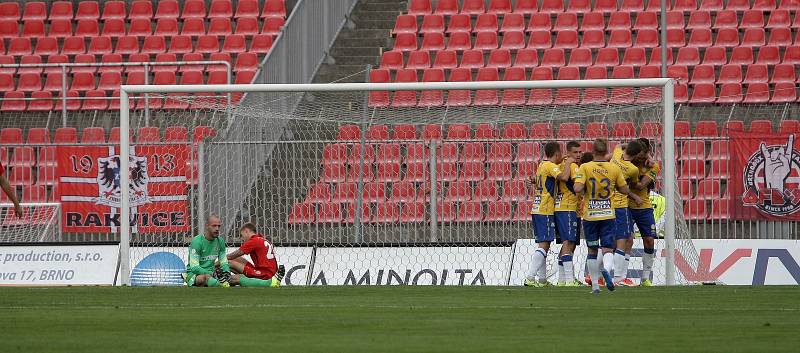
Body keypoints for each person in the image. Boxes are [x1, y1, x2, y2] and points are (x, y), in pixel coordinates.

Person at [574, 139, 640, 294]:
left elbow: (577, 188)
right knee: (608, 248)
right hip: (608, 214)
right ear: (606, 152)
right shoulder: (614, 168)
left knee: (592, 250)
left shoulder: (585, 167)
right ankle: (607, 269)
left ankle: (596, 286)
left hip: (590, 215)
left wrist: (584, 186)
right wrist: (624, 190)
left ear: (592, 151)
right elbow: (624, 189)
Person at [524, 142, 573, 287]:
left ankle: (542, 280)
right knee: (544, 245)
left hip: (538, 208)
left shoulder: (542, 165)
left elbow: (541, 179)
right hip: (545, 210)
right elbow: (564, 177)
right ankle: (530, 277)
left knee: (543, 244)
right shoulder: (551, 166)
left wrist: (566, 157)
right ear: (556, 154)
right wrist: (569, 162)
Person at [609, 140, 645, 286]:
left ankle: (598, 275)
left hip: (607, 203)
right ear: (637, 155)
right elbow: (636, 184)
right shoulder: (632, 169)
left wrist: (627, 145)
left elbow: (618, 145)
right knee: (622, 240)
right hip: (620, 205)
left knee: (610, 240)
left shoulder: (616, 154)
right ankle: (618, 278)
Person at [627, 138, 661, 286]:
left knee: (649, 240)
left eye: (643, 156)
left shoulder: (653, 167)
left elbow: (640, 186)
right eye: (638, 156)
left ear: (647, 154)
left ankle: (645, 278)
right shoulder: (626, 164)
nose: (639, 159)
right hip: (626, 206)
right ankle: (621, 276)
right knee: (627, 240)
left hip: (644, 206)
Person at [554, 141, 583, 286]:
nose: (578, 155)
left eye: (580, 152)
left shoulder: (560, 164)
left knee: (570, 243)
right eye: (575, 152)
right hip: (568, 207)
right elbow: (578, 186)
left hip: (563, 208)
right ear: (569, 152)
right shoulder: (572, 166)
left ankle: (561, 280)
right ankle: (569, 280)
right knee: (568, 242)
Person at [223, 223, 285, 287]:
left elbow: (233, 255)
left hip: (265, 273)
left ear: (246, 231)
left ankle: (220, 278)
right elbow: (235, 257)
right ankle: (223, 277)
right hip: (269, 271)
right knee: (235, 259)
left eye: (241, 235)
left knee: (230, 265)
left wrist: (215, 264)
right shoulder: (262, 239)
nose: (241, 239)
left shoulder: (253, 241)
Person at [183, 215, 231, 287]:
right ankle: (223, 286)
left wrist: (227, 272)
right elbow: (194, 267)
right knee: (205, 278)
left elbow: (223, 261)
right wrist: (211, 274)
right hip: (195, 274)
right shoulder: (197, 242)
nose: (217, 229)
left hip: (212, 273)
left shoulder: (220, 241)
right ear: (207, 226)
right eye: (214, 226)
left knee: (237, 277)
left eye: (219, 226)